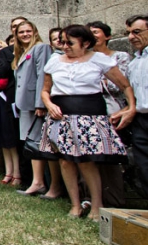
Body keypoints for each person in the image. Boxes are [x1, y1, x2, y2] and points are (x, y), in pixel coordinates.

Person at [38, 25, 135, 221]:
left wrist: (131, 107)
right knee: (65, 161)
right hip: (61, 116)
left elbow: (124, 85)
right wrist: (49, 105)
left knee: (87, 161)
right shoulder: (54, 61)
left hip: (89, 115)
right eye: (62, 42)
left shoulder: (99, 60)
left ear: (86, 43)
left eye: (70, 43)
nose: (64, 46)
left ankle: (96, 206)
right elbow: (45, 90)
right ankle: (75, 204)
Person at [12, 20, 63, 199]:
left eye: (28, 31)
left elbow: (43, 74)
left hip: (36, 104)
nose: (25, 34)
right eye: (21, 32)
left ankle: (54, 186)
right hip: (25, 105)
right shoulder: (23, 52)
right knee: (33, 144)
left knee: (46, 145)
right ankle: (38, 182)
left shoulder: (41, 48)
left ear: (34, 31)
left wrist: (41, 103)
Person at [88, 21, 132, 206]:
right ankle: (91, 199)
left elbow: (116, 85)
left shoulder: (120, 57)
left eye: (96, 32)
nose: (92, 36)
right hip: (90, 112)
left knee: (111, 159)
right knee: (89, 159)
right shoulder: (85, 58)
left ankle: (114, 201)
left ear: (107, 36)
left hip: (114, 112)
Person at [0, 16, 29, 185]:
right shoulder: (6, 52)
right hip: (12, 99)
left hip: (32, 99)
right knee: (14, 137)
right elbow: (2, 72)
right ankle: (20, 175)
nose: (18, 30)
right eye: (15, 27)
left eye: (22, 27)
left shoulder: (36, 49)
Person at [0, 40, 19, 186]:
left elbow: (2, 83)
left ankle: (17, 173)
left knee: (10, 138)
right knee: (2, 140)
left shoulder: (6, 65)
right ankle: (8, 172)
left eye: (0, 47)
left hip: (5, 101)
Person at [126, 15, 148, 194]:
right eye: (129, 33)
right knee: (143, 165)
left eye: (137, 32)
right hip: (140, 119)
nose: (131, 37)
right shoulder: (134, 64)